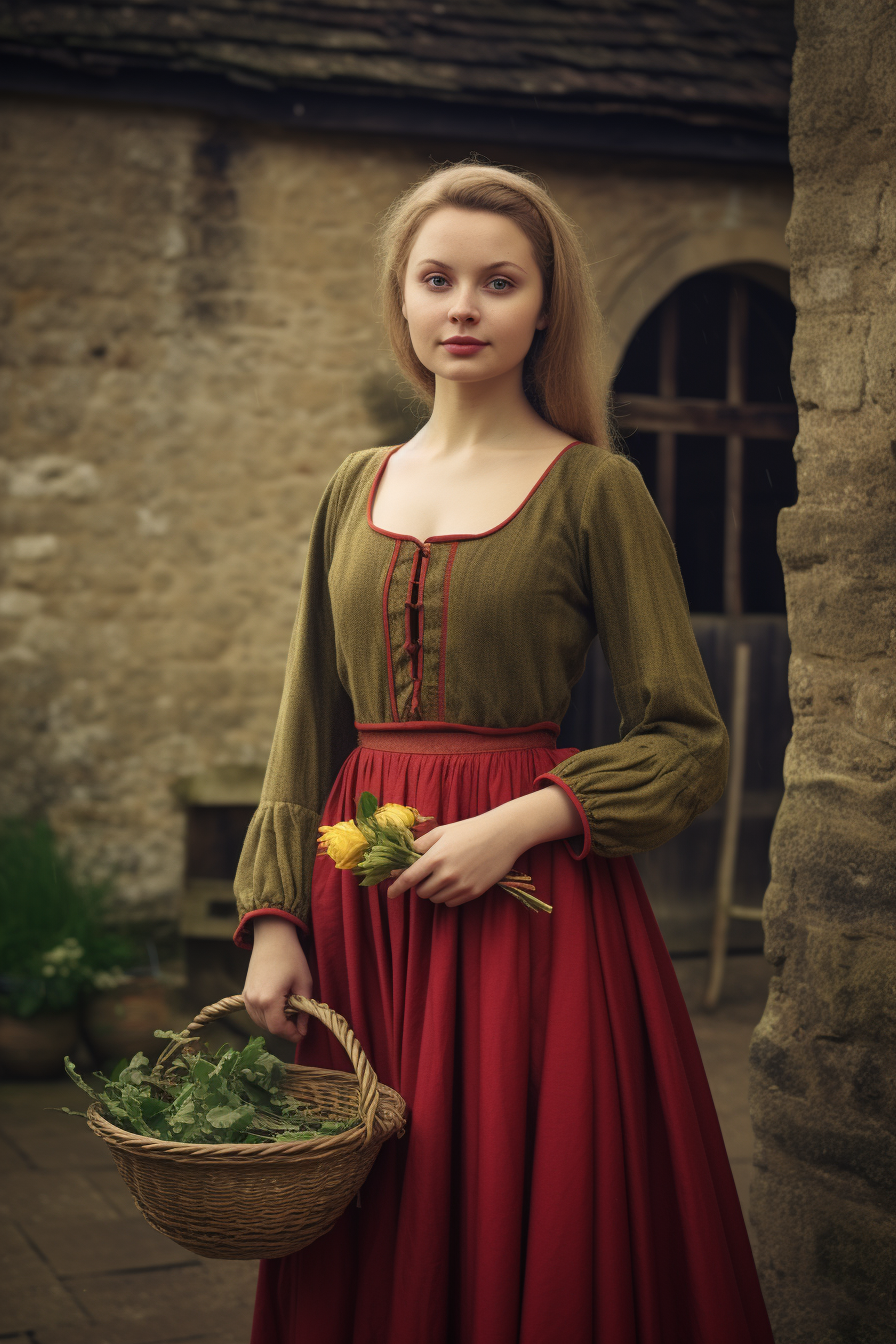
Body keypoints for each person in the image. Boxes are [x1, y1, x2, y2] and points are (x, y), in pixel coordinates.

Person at [235, 161, 774, 1344]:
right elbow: (305, 720)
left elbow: (686, 739)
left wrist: (521, 819)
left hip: (530, 911)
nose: (463, 306)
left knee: (519, 1202)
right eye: (437, 279)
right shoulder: (350, 488)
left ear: (543, 308)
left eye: (497, 280)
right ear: (403, 300)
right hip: (362, 903)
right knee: (365, 1202)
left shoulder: (595, 489)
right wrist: (276, 920)